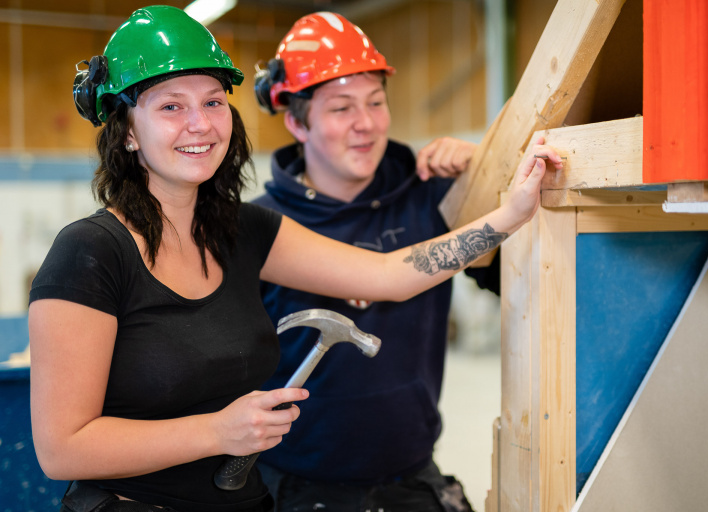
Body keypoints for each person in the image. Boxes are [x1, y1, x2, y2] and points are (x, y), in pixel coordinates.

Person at [28, 5, 562, 512]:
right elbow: (62, 450)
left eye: (213, 102)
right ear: (125, 131)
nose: (201, 123)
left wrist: (510, 214)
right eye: (171, 106)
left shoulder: (244, 231)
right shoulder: (91, 252)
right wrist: (216, 431)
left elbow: (388, 275)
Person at [248, 12, 515, 512]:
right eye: (341, 108)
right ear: (296, 121)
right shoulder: (263, 227)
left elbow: (516, 279)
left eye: (375, 102)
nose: (365, 124)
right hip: (296, 487)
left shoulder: (430, 198)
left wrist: (481, 177)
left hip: (412, 479)